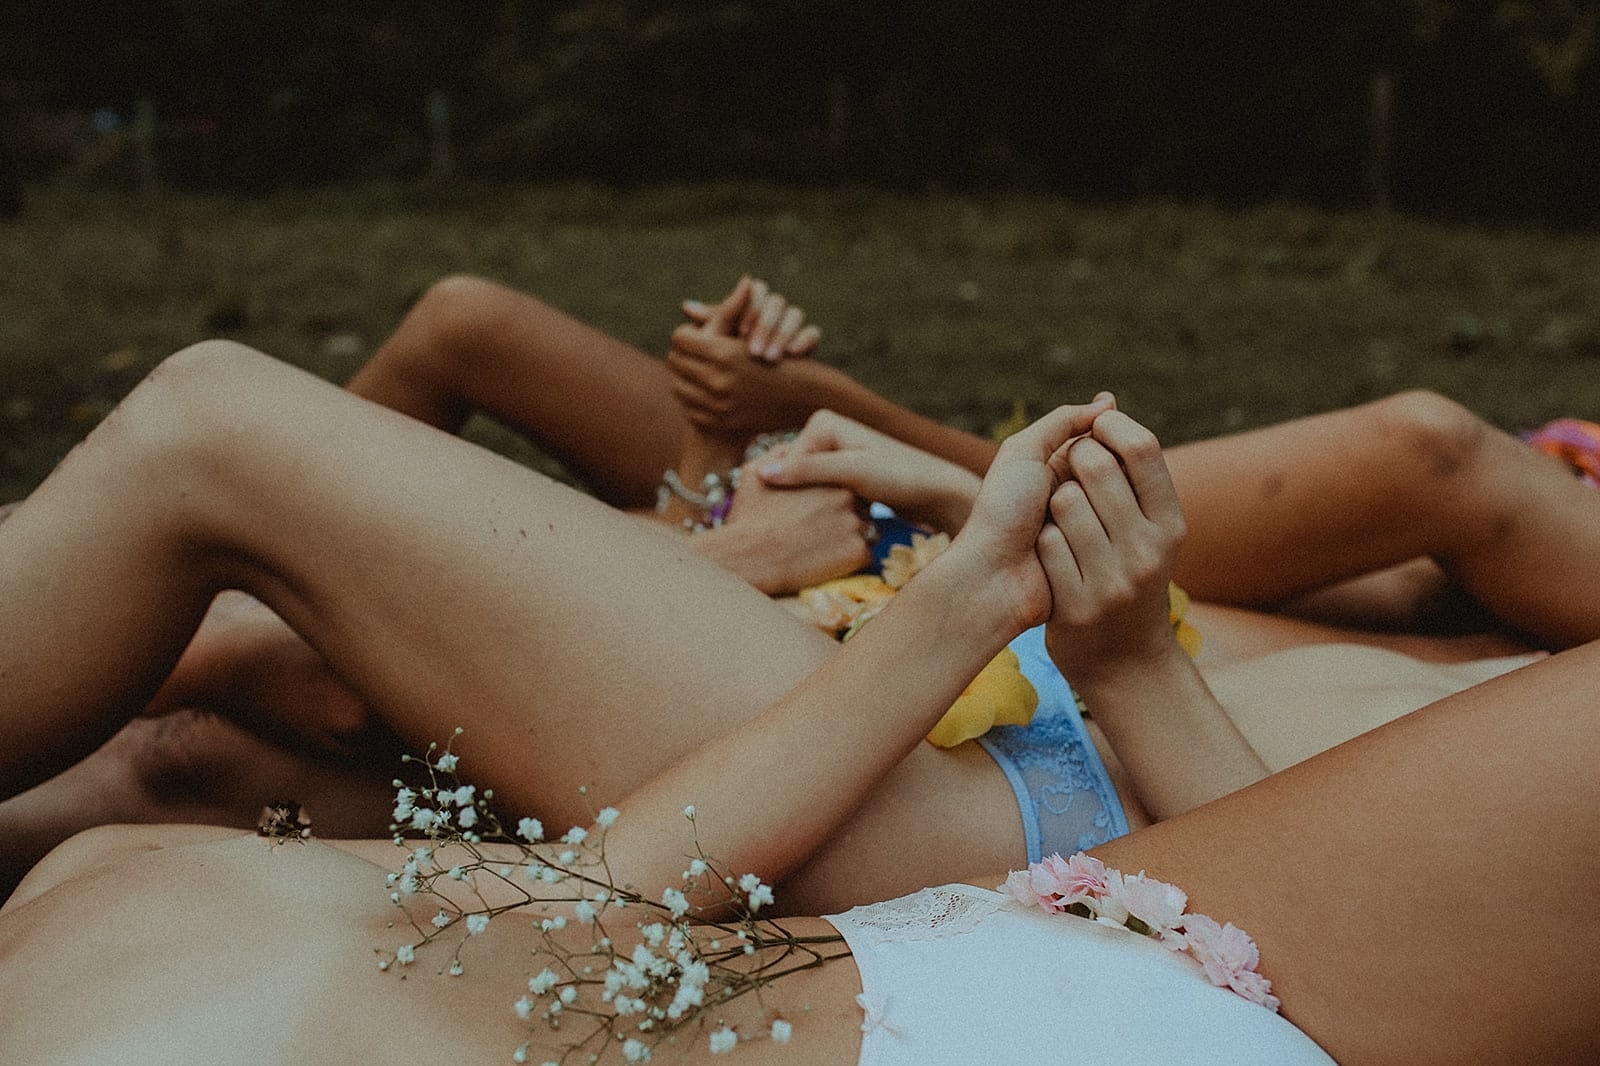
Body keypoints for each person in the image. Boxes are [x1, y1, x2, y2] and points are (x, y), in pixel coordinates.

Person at [1, 352, 1597, 1063]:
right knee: (191, 764)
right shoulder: (1468, 621)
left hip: (1034, 809)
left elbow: (1336, 928)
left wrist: (1107, 650)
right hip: (1002, 727)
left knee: (220, 437)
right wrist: (955, 532)